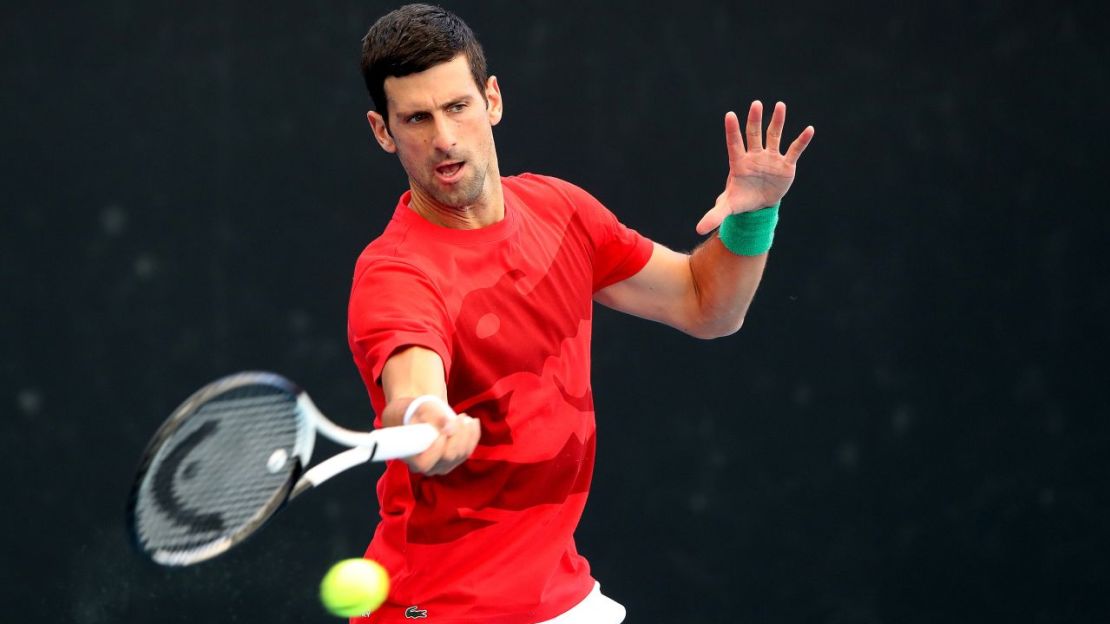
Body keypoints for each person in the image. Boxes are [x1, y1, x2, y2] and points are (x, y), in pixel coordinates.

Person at [346, 4, 814, 623]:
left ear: (492, 100)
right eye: (416, 118)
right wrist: (426, 419)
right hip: (442, 607)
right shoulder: (395, 274)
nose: (444, 139)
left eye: (457, 107)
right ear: (384, 131)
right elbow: (413, 385)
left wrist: (754, 217)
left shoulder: (560, 211)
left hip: (556, 592)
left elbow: (707, 306)